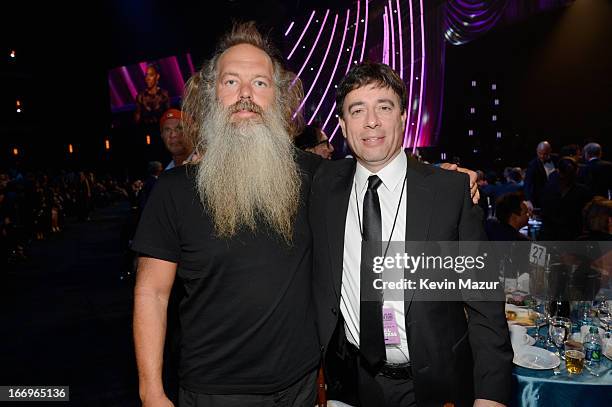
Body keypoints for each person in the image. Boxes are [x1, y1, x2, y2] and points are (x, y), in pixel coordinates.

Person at [132, 22, 321, 407]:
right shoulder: (172, 191)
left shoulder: (316, 176)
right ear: (211, 95)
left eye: (260, 83)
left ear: (279, 100)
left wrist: (449, 179)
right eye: (231, 82)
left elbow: (382, 173)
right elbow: (151, 293)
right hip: (215, 391)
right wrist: (151, 389)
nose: (246, 95)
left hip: (299, 386)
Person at [309, 61, 512, 407]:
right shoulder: (321, 185)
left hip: (435, 387)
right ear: (342, 126)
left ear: (403, 117)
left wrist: (490, 397)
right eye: (357, 110)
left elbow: (485, 306)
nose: (371, 121)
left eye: (384, 107)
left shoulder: (449, 191)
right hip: (351, 382)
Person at [524, 141, 557, 211]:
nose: (542, 156)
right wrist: (529, 200)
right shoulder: (532, 165)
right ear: (536, 151)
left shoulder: (556, 160)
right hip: (541, 200)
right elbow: (528, 184)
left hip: (556, 197)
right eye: (539, 153)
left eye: (545, 154)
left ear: (550, 151)